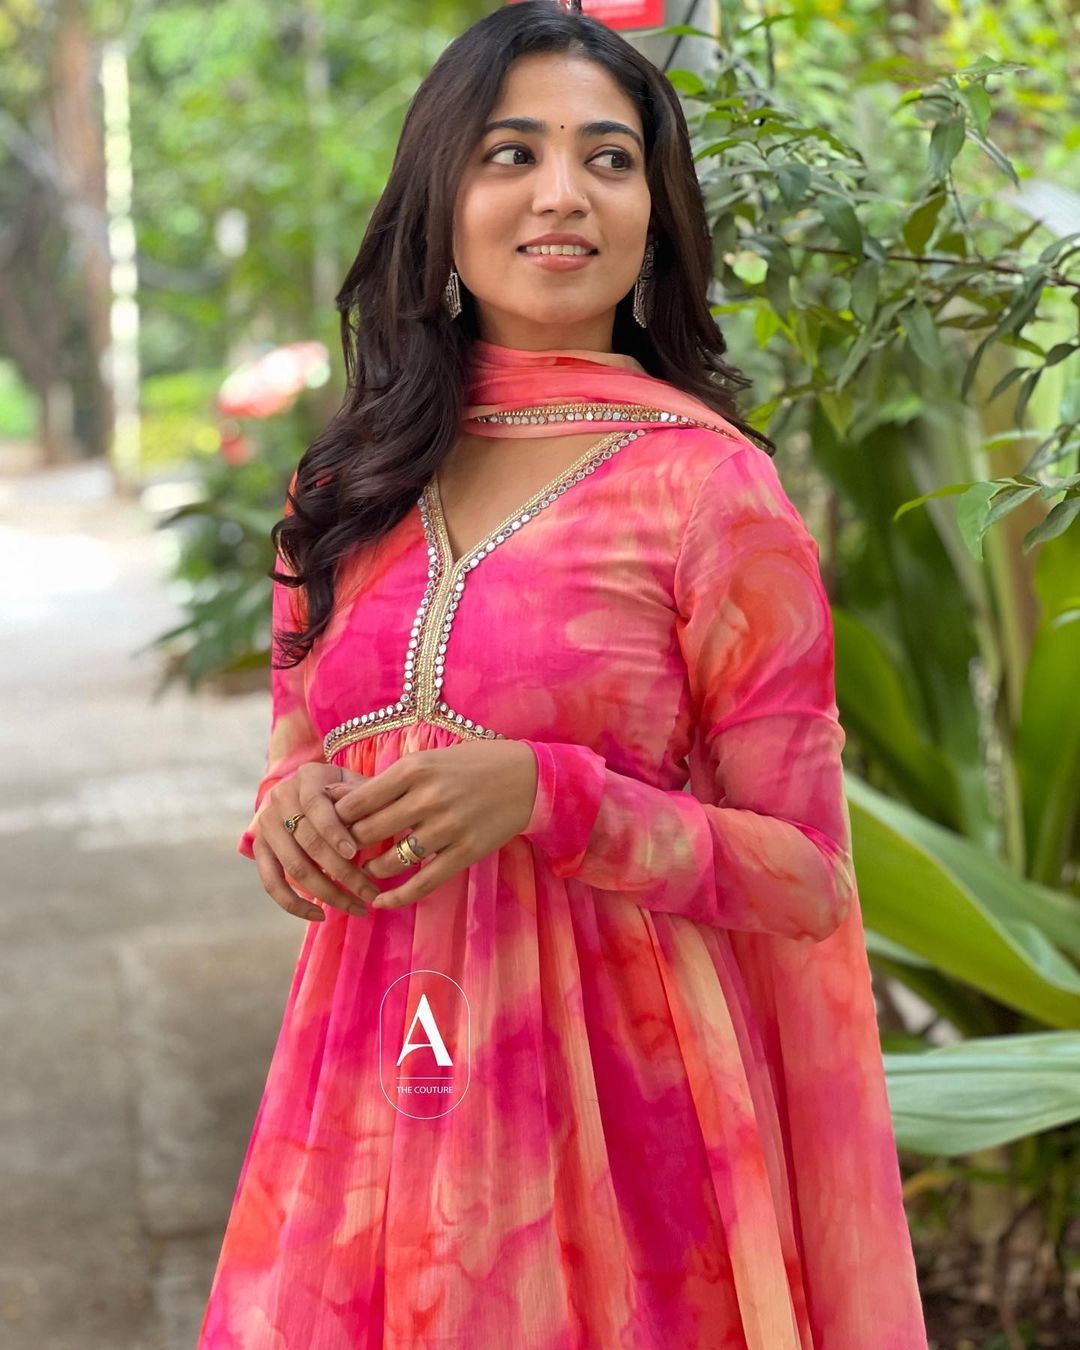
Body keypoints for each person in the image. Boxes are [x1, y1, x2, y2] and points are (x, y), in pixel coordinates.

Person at [198, 3, 928, 1346]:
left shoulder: (708, 491)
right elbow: (298, 757)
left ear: (655, 214)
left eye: (607, 158)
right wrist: (288, 818)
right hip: (373, 1113)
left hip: (617, 1137)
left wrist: (553, 795)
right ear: (441, 197)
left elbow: (807, 875)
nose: (561, 194)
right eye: (511, 153)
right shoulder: (347, 484)